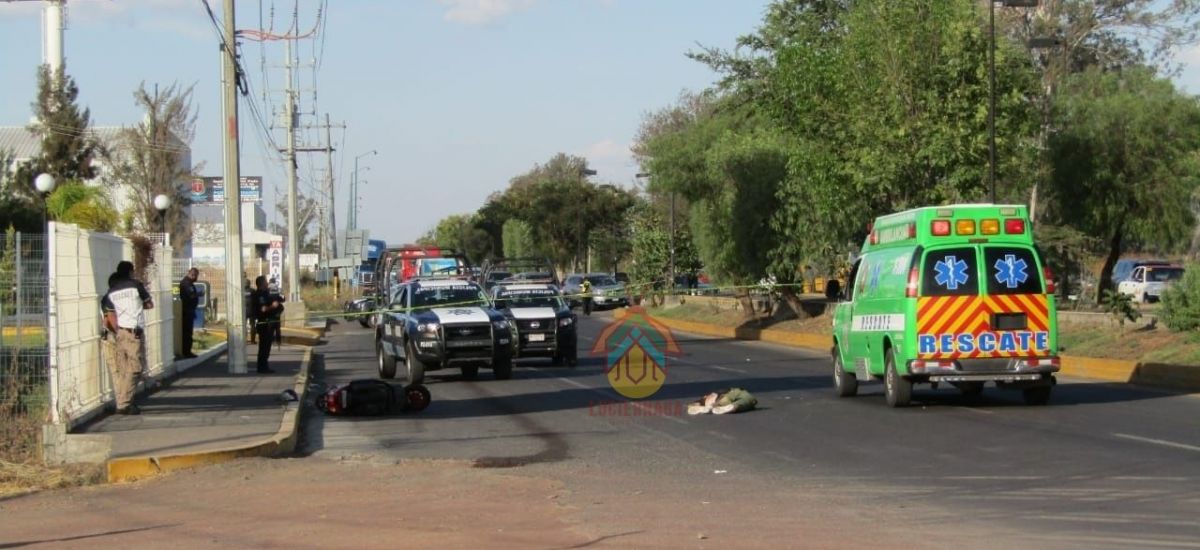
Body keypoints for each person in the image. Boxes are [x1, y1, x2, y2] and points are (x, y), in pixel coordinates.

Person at [100, 260, 154, 415]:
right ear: (130, 271)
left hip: (120, 333)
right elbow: (149, 304)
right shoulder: (136, 286)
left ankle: (125, 402)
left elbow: (109, 317)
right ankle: (123, 402)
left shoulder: (111, 293)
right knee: (136, 368)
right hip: (134, 332)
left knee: (124, 369)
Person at [251, 275, 284, 373]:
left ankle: (264, 366)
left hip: (270, 323)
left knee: (267, 346)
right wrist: (273, 306)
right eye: (265, 281)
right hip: (264, 324)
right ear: (261, 283)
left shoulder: (266, 293)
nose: (267, 283)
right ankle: (262, 367)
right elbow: (263, 309)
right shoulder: (259, 295)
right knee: (264, 347)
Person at [178, 267, 200, 358]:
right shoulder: (187, 283)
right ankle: (186, 352)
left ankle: (187, 351)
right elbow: (191, 295)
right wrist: (199, 294)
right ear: (192, 274)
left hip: (188, 310)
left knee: (187, 331)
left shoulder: (188, 282)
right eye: (195, 276)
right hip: (187, 310)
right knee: (187, 332)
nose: (196, 278)